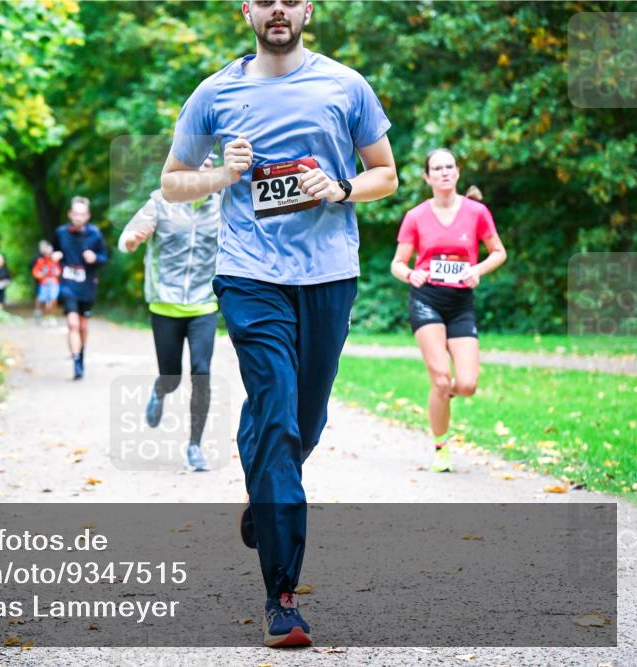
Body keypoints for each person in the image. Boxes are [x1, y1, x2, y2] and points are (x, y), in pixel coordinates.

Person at [160, 0, 397, 648]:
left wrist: (341, 187)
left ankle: (263, 483)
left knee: (303, 420)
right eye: (265, 0)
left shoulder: (346, 86)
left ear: (307, 8)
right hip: (249, 275)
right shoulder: (216, 92)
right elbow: (173, 181)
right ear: (247, 10)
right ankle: (282, 595)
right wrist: (223, 173)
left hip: (328, 275)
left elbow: (387, 174)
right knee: (275, 412)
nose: (278, 9)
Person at [390, 149, 507, 473]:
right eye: (437, 168)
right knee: (441, 378)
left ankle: (442, 394)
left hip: (460, 304)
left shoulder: (476, 212)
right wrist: (411, 273)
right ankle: (441, 447)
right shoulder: (416, 216)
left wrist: (479, 270)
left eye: (449, 167)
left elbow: (499, 252)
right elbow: (397, 263)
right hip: (426, 299)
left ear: (457, 172)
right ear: (427, 177)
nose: (444, 172)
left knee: (466, 384)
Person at [118, 154, 222, 472]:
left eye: (208, 170)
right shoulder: (161, 202)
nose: (202, 176)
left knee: (202, 373)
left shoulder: (223, 205)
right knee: (172, 377)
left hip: (205, 303)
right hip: (165, 302)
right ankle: (160, 391)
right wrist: (133, 240)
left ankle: (194, 446)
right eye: (196, 170)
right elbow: (126, 238)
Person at [53, 196, 108, 380]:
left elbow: (104, 258)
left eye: (82, 214)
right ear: (70, 214)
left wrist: (95, 258)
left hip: (87, 286)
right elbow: (53, 251)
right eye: (75, 213)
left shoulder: (95, 234)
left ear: (88, 216)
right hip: (67, 284)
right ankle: (76, 361)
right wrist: (55, 255)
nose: (78, 217)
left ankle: (81, 354)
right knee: (73, 324)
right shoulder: (60, 233)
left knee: (83, 326)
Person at [31, 240, 61, 326]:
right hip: (43, 284)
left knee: (53, 300)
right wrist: (41, 275)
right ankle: (44, 316)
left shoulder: (56, 261)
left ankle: (52, 317)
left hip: (54, 284)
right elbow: (35, 271)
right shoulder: (40, 261)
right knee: (43, 300)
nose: (48, 253)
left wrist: (55, 275)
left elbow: (59, 271)